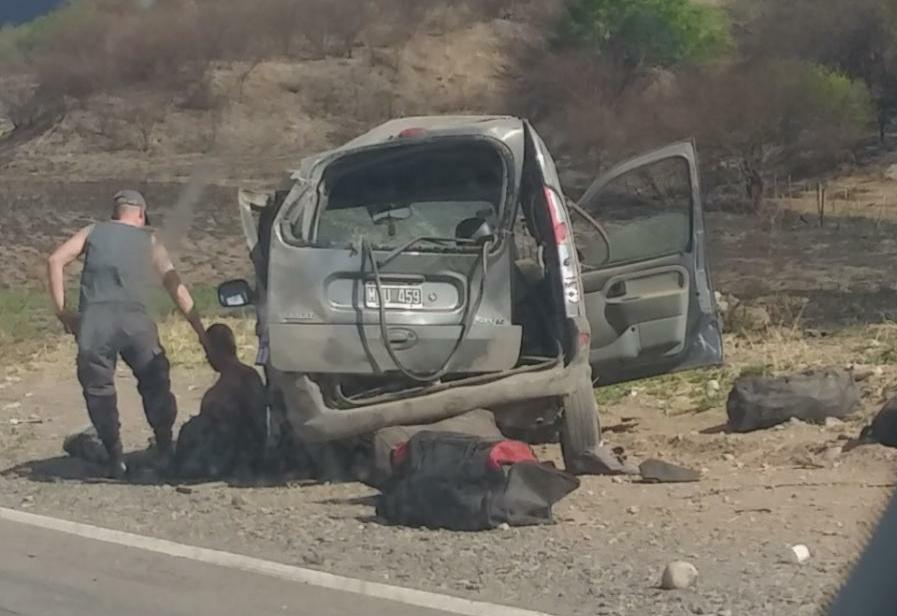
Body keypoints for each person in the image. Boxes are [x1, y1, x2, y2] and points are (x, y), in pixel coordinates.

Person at [46, 189, 208, 479]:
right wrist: (200, 332)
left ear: (115, 213)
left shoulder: (93, 231)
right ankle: (163, 446)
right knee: (155, 381)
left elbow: (55, 260)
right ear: (141, 214)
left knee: (99, 390)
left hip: (95, 322)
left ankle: (115, 457)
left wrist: (63, 312)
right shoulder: (150, 240)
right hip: (137, 322)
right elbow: (174, 285)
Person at [173, 323, 267, 479]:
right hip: (252, 454)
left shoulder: (227, 386)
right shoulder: (250, 375)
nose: (206, 357)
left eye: (207, 351)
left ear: (215, 350)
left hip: (233, 458)